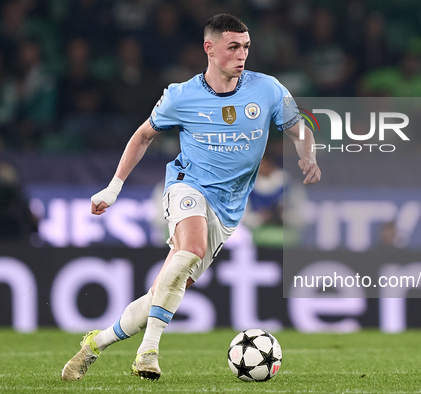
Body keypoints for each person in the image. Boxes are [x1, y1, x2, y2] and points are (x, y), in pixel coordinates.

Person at [61, 13, 321, 381]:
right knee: (192, 248)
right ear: (209, 48)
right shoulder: (181, 96)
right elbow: (143, 136)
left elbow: (298, 127)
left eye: (246, 47)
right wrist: (113, 188)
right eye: (233, 47)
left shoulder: (268, 90)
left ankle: (94, 344)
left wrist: (306, 153)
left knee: (163, 291)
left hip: (228, 210)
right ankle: (148, 353)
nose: (241, 54)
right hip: (187, 185)